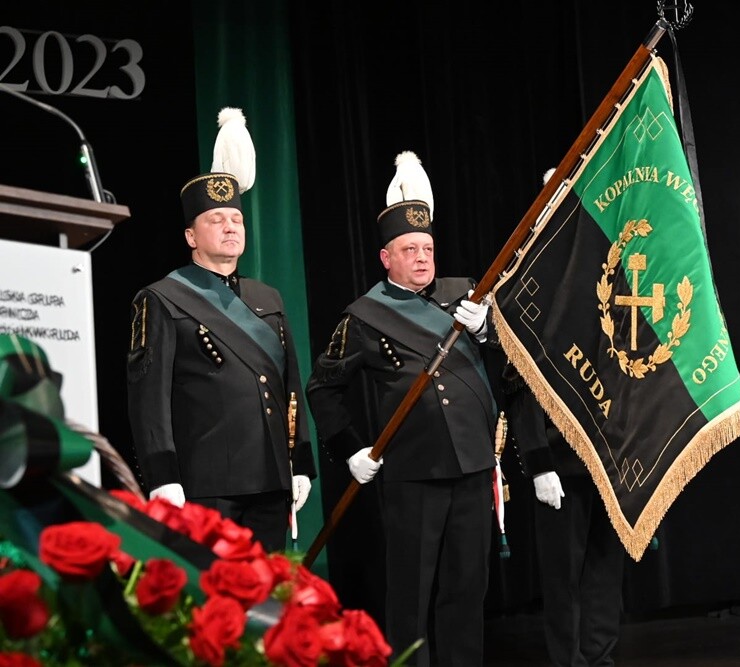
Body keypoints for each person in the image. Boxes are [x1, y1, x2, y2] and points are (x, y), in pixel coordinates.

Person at [306, 150, 497, 667]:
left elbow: (514, 362)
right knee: (410, 597)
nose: (421, 257)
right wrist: (348, 450)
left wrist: (487, 330)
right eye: (409, 248)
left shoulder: (466, 296)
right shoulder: (365, 315)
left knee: (468, 590)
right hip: (414, 474)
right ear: (386, 257)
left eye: (427, 247)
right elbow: (322, 388)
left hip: (475, 468)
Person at [126, 108, 315, 553]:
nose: (231, 227)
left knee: (266, 601)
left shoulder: (267, 297)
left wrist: (300, 460)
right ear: (191, 235)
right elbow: (147, 398)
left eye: (237, 220)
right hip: (205, 482)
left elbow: (290, 386)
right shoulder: (160, 297)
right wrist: (162, 476)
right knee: (217, 606)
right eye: (217, 220)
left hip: (270, 475)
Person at [501, 167, 626, 667]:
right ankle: (568, 661)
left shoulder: (610, 268)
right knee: (563, 576)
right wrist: (537, 460)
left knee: (605, 568)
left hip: (610, 452)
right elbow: (518, 379)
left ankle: (601, 657)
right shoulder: (529, 274)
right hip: (559, 457)